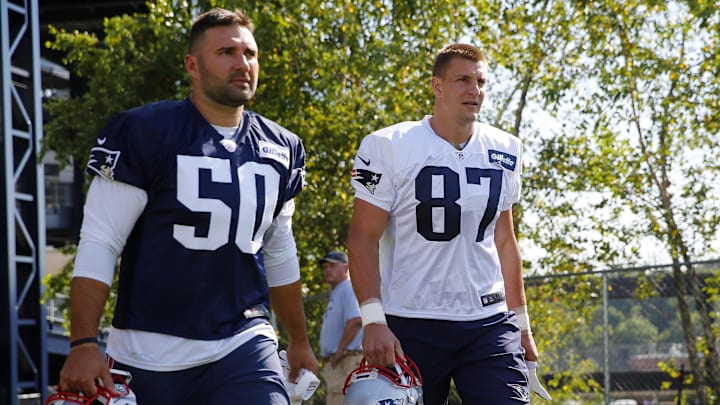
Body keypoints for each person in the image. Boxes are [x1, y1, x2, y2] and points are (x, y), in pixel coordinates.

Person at [56, 8, 318, 404]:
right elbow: (100, 241)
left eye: (249, 53)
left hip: (244, 342)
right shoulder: (145, 132)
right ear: (192, 66)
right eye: (226, 52)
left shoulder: (280, 147)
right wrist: (83, 343)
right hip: (148, 350)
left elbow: (279, 249)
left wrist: (298, 340)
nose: (242, 63)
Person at [347, 43, 550, 404]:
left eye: (481, 81)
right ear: (437, 86)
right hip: (410, 321)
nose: (475, 90)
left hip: (487, 322)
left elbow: (505, 241)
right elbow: (363, 237)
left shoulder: (505, 148)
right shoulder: (388, 145)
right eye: (463, 80)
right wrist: (373, 319)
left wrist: (522, 324)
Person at [317, 250, 363, 405]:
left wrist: (338, 353)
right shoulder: (338, 291)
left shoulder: (349, 287)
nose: (328, 270)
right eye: (325, 267)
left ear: (346, 268)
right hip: (340, 363)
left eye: (332, 265)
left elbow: (356, 320)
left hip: (346, 362)